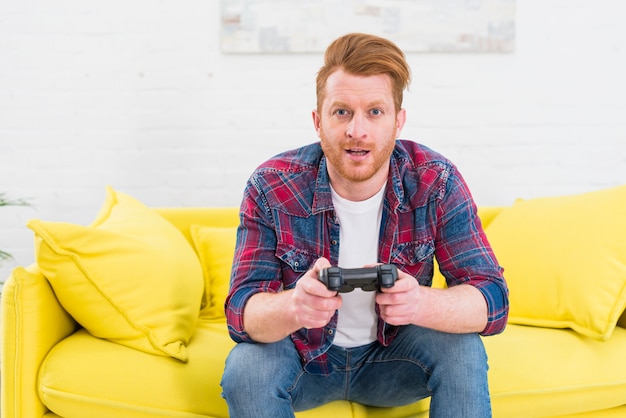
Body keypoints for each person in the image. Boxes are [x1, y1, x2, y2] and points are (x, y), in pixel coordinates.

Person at [221, 32, 508, 418]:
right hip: (304, 361)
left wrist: (420, 303)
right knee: (246, 368)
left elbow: (492, 299)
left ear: (397, 121)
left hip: (394, 362)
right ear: (317, 121)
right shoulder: (271, 185)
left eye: (375, 111)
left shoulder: (435, 180)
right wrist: (295, 306)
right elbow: (241, 313)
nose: (358, 130)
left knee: (464, 350)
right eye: (341, 112)